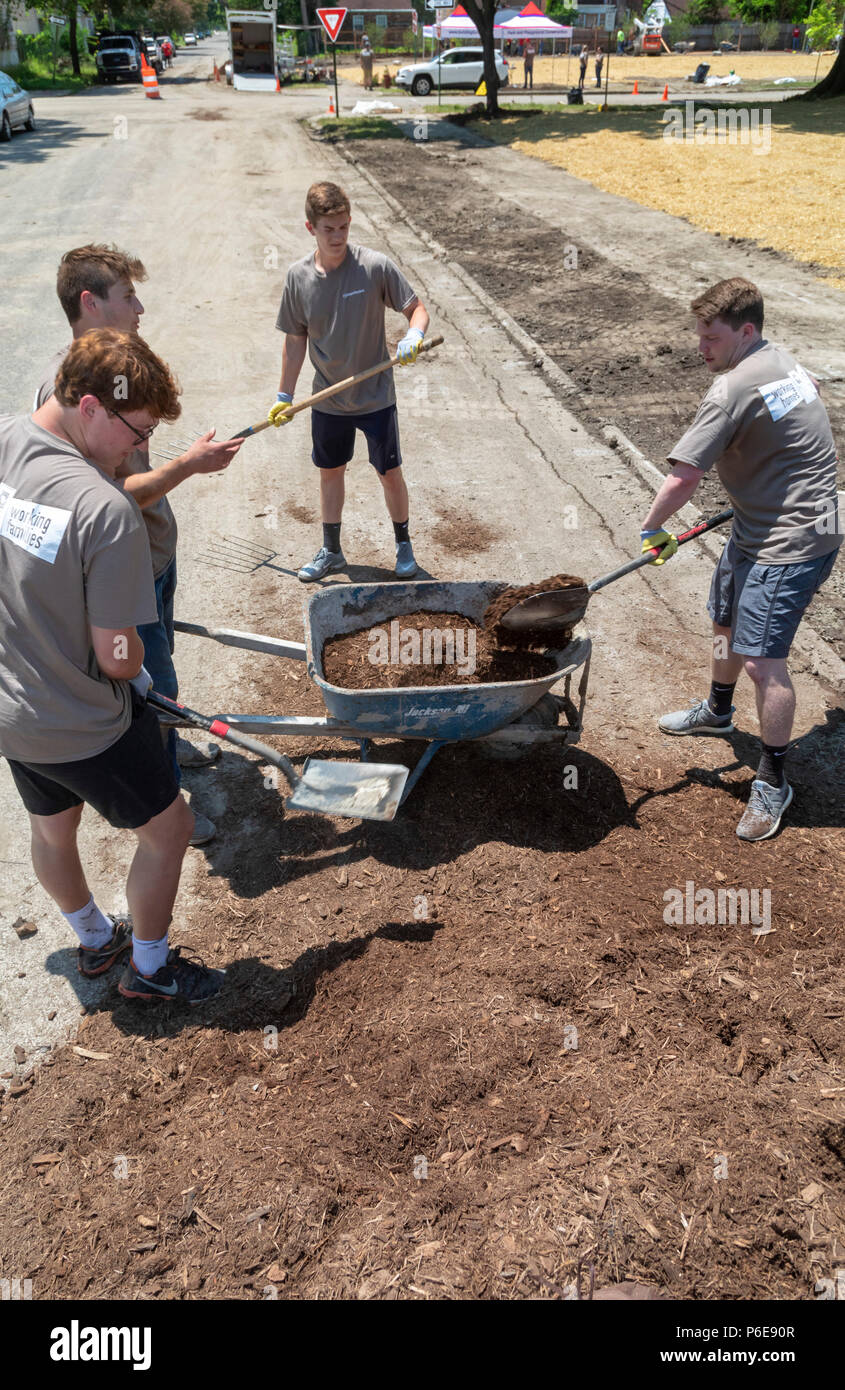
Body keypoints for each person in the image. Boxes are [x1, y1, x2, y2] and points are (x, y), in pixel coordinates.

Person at [0, 329, 225, 1005]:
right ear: (92, 405)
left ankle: (95, 939)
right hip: (79, 720)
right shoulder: (105, 506)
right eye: (139, 430)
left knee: (51, 826)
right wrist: (144, 682)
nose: (140, 447)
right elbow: (117, 655)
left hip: (11, 709)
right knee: (170, 830)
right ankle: (151, 972)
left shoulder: (7, 439)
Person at [33, 245, 243, 845]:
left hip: (154, 555)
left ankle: (172, 755)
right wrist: (188, 465)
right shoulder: (66, 391)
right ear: (90, 302)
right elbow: (106, 498)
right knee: (149, 690)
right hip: (124, 571)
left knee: (163, 673)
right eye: (128, 297)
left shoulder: (120, 366)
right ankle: (165, 807)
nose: (140, 307)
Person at [640, 278, 841, 841]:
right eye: (698, 335)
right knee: (725, 619)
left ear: (745, 331)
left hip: (793, 538)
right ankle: (718, 710)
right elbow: (814, 397)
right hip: (764, 523)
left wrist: (652, 529)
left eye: (711, 337)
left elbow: (684, 476)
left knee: (762, 661)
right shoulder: (782, 359)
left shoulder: (729, 391)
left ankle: (774, 781)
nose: (700, 347)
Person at [268, 181, 431, 582]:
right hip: (328, 397)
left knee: (389, 472)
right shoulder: (298, 278)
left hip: (375, 395)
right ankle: (332, 551)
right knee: (331, 471)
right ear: (311, 228)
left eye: (343, 227)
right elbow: (295, 340)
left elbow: (417, 309)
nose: (338, 236)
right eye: (329, 229)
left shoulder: (374, 267)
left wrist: (414, 334)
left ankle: (404, 545)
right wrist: (285, 394)